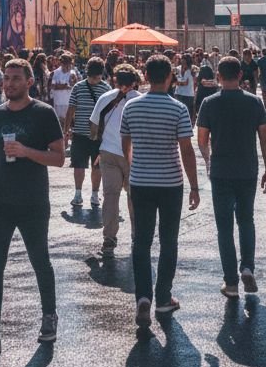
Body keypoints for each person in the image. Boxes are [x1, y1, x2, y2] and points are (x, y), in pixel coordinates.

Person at [0, 58, 64, 358]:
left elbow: (59, 158)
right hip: (0, 203)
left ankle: (49, 316)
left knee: (40, 261)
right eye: (6, 78)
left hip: (33, 202)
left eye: (16, 79)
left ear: (29, 82)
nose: (9, 84)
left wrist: (25, 151)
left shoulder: (44, 113)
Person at [120, 54, 200, 329]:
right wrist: (194, 185)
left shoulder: (131, 107)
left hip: (140, 181)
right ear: (169, 77)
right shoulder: (178, 109)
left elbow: (125, 142)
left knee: (141, 241)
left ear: (145, 76)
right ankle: (163, 296)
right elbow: (186, 150)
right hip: (170, 182)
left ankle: (143, 297)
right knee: (168, 241)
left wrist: (134, 166)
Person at [197, 55, 266, 298]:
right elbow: (265, 138)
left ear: (218, 76)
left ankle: (231, 282)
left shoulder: (209, 103)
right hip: (248, 170)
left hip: (221, 171)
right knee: (246, 220)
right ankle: (247, 267)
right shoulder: (254, 102)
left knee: (224, 227)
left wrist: (208, 159)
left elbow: (202, 140)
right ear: (241, 75)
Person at [89, 64, 141, 260]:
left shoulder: (105, 97)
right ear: (135, 81)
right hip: (133, 155)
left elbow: (93, 126)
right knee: (134, 196)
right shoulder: (140, 100)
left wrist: (98, 146)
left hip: (108, 152)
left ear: (115, 80)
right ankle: (137, 236)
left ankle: (109, 238)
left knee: (110, 195)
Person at [65, 58, 111, 209]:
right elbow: (71, 110)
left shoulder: (81, 87)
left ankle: (86, 194)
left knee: (92, 166)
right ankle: (87, 194)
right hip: (89, 134)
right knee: (84, 166)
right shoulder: (105, 88)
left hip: (91, 135)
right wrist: (66, 130)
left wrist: (66, 131)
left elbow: (70, 110)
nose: (94, 79)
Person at [49, 52, 77, 121]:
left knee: (69, 121)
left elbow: (74, 85)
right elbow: (52, 86)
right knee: (59, 121)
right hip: (58, 102)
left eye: (70, 64)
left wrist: (62, 86)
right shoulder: (55, 73)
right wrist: (64, 86)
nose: (68, 67)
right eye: (66, 65)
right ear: (61, 64)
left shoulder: (72, 73)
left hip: (69, 102)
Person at [176, 53, 197, 125]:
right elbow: (175, 81)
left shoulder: (193, 69)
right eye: (182, 59)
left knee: (188, 113)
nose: (183, 61)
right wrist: (182, 83)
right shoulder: (177, 69)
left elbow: (195, 81)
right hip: (178, 93)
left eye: (185, 60)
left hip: (188, 94)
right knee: (178, 113)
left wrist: (180, 83)